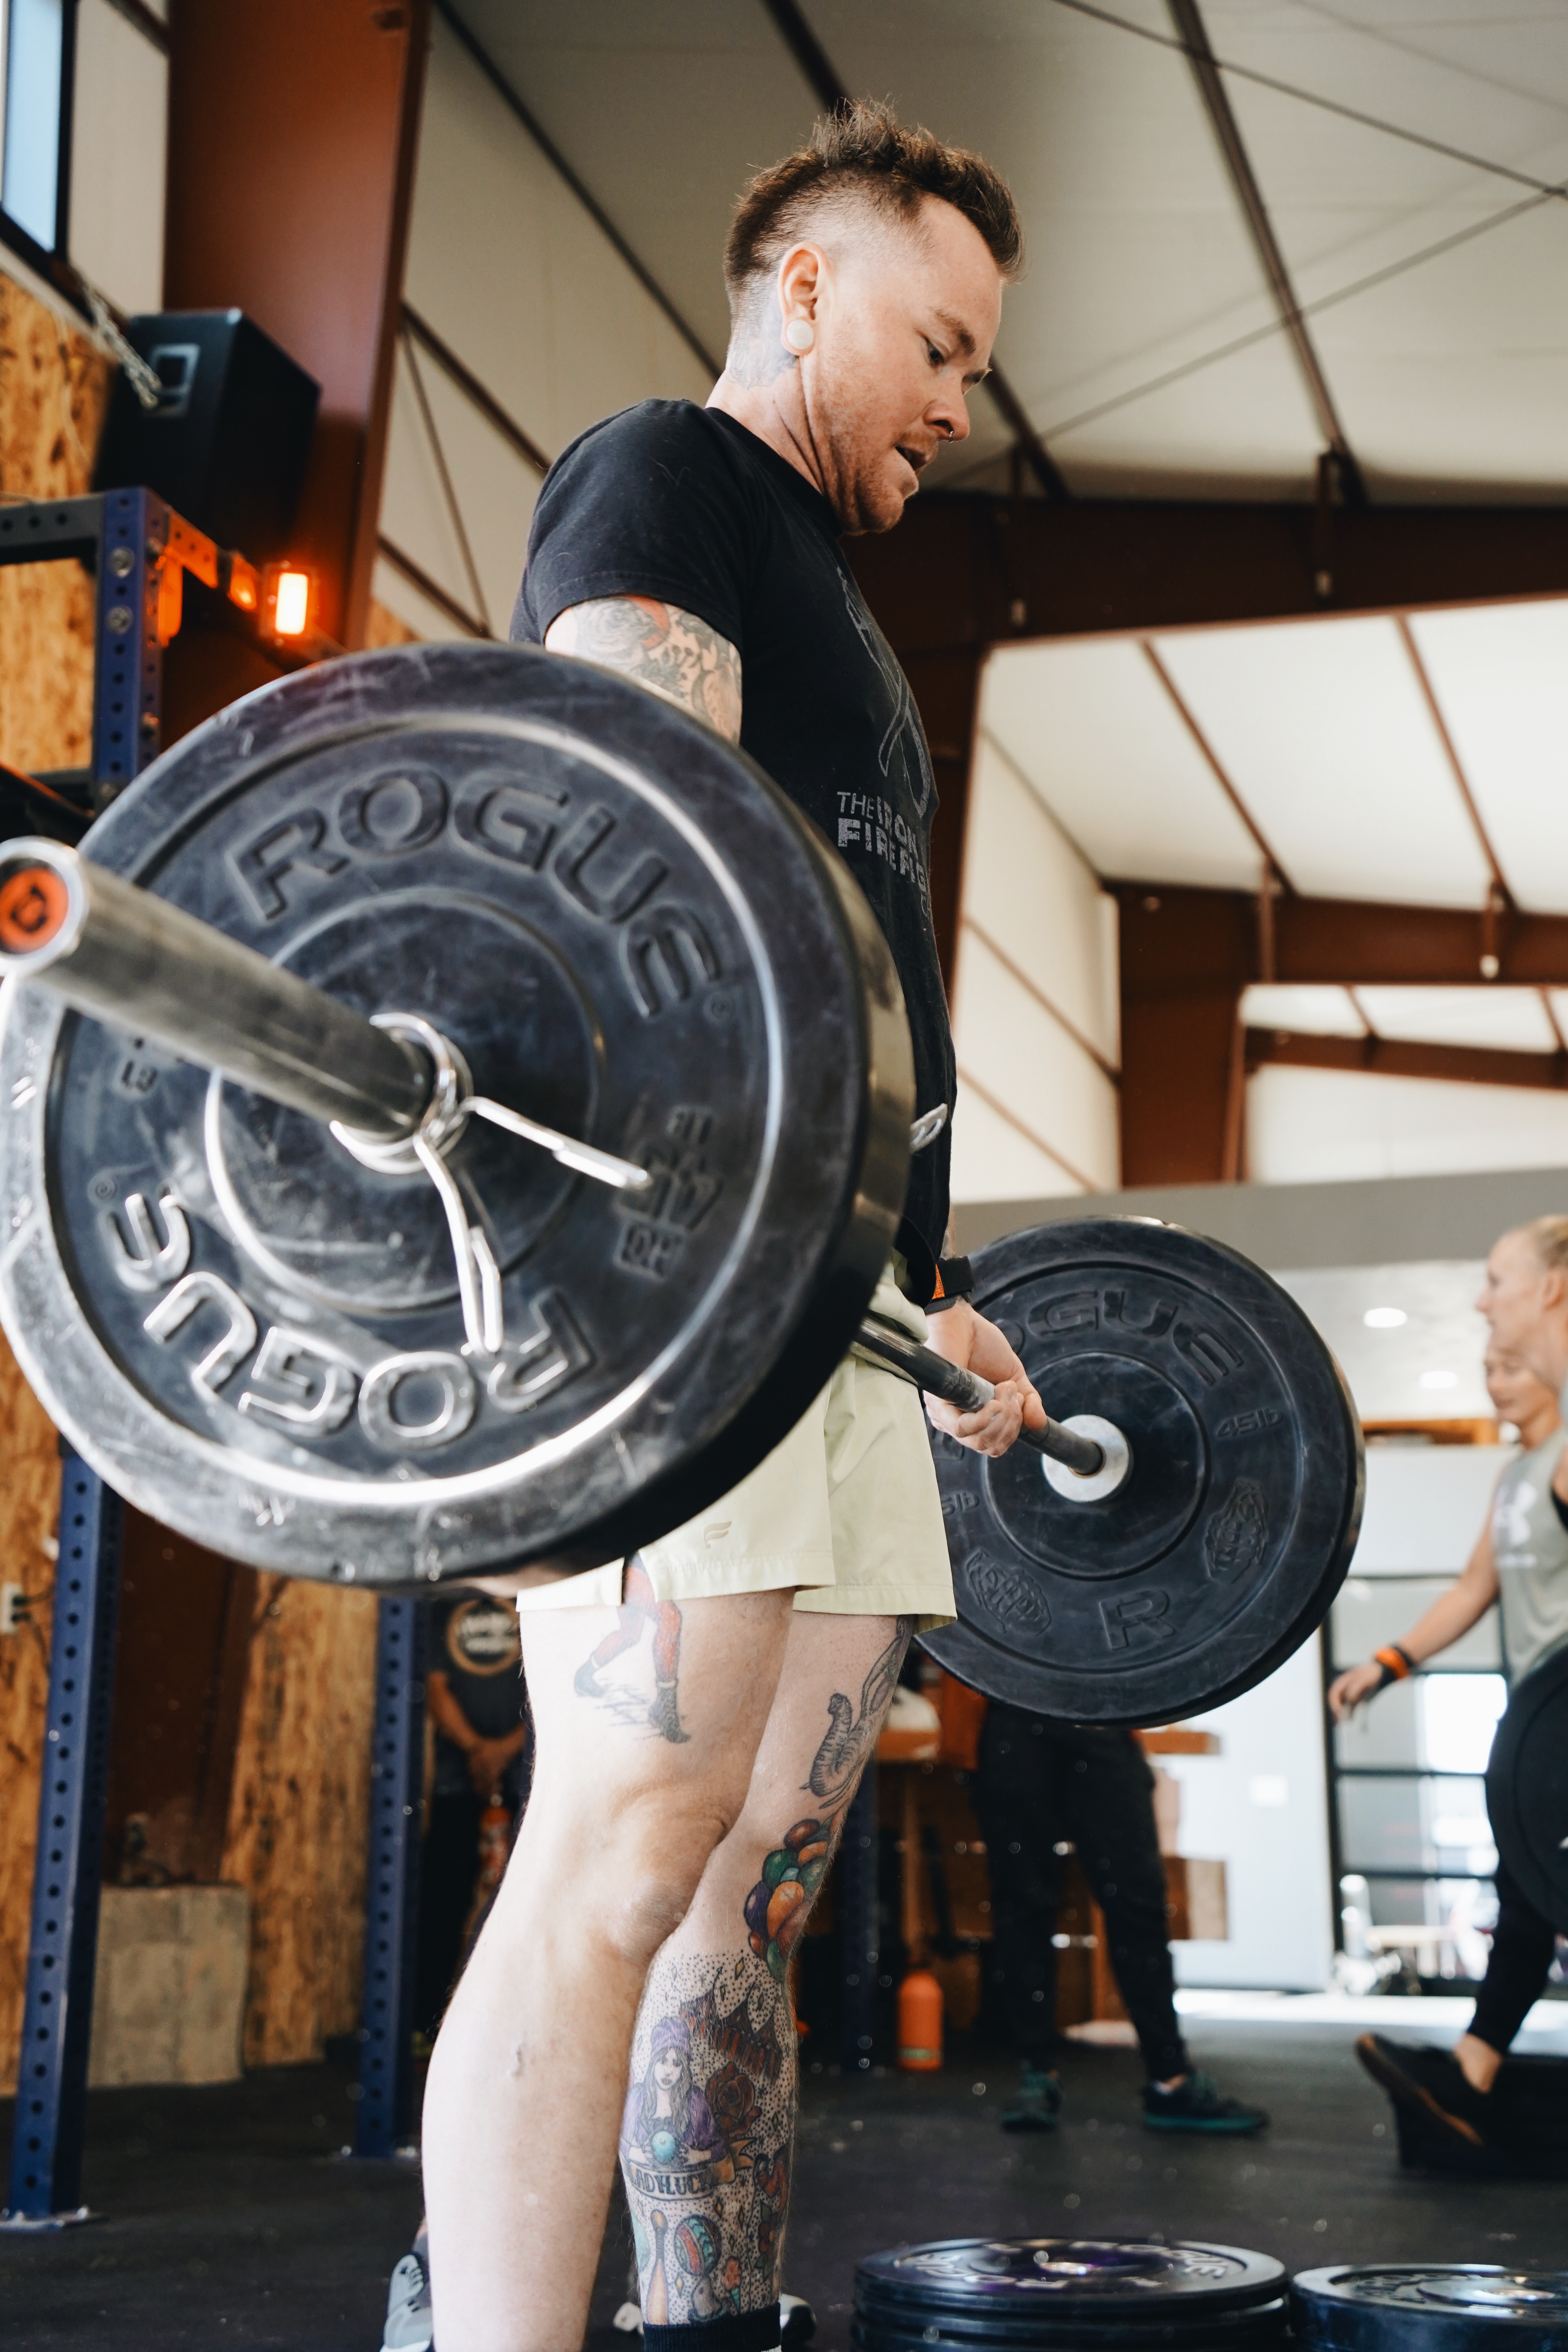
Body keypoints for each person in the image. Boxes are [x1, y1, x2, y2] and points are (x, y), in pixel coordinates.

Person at [419, 103, 1048, 2352]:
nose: (958, 403)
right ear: (799, 283)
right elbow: (637, 876)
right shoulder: (663, 478)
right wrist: (736, 1274)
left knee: (742, 1888)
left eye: (977, 365)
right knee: (615, 1850)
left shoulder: (844, 607)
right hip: (691, 1263)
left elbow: (853, 969)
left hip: (845, 1286)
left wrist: (930, 1295)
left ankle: (713, 2319)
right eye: (934, 340)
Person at [1332, 1262, 1568, 2151]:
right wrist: (1388, 1662)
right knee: (1526, 1888)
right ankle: (1472, 2071)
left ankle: (1474, 2067)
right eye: (1486, 1372)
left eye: (1507, 1367)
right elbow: (1474, 1588)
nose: (1493, 1379)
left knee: (1533, 1889)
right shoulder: (1512, 1481)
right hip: (1542, 1730)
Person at [971, 1705, 1267, 2136]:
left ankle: (1170, 2079)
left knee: (1135, 1899)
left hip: (1098, 1713)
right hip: (1016, 1706)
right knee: (1023, 1899)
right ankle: (1036, 2072)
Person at [414, 1593, 533, 2043]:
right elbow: (436, 1687)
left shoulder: (538, 1588)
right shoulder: (445, 1600)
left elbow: (559, 1680)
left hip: (528, 1780)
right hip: (459, 1780)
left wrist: (501, 1752)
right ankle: (429, 2026)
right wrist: (479, 1751)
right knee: (443, 1903)